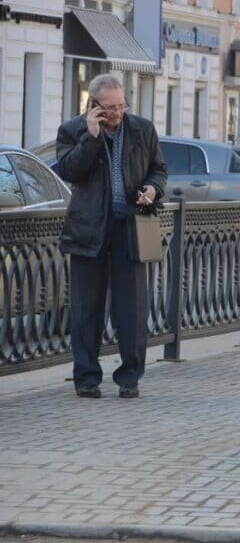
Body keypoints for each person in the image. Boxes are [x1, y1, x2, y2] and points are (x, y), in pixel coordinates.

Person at [55, 74, 167, 399]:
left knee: (131, 308)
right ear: (93, 106)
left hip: (130, 227)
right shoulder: (72, 130)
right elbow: (68, 172)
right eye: (110, 108)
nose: (117, 113)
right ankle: (87, 378)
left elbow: (158, 169)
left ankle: (129, 377)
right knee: (87, 309)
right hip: (89, 228)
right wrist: (90, 138)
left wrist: (153, 189)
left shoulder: (142, 129)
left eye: (121, 105)